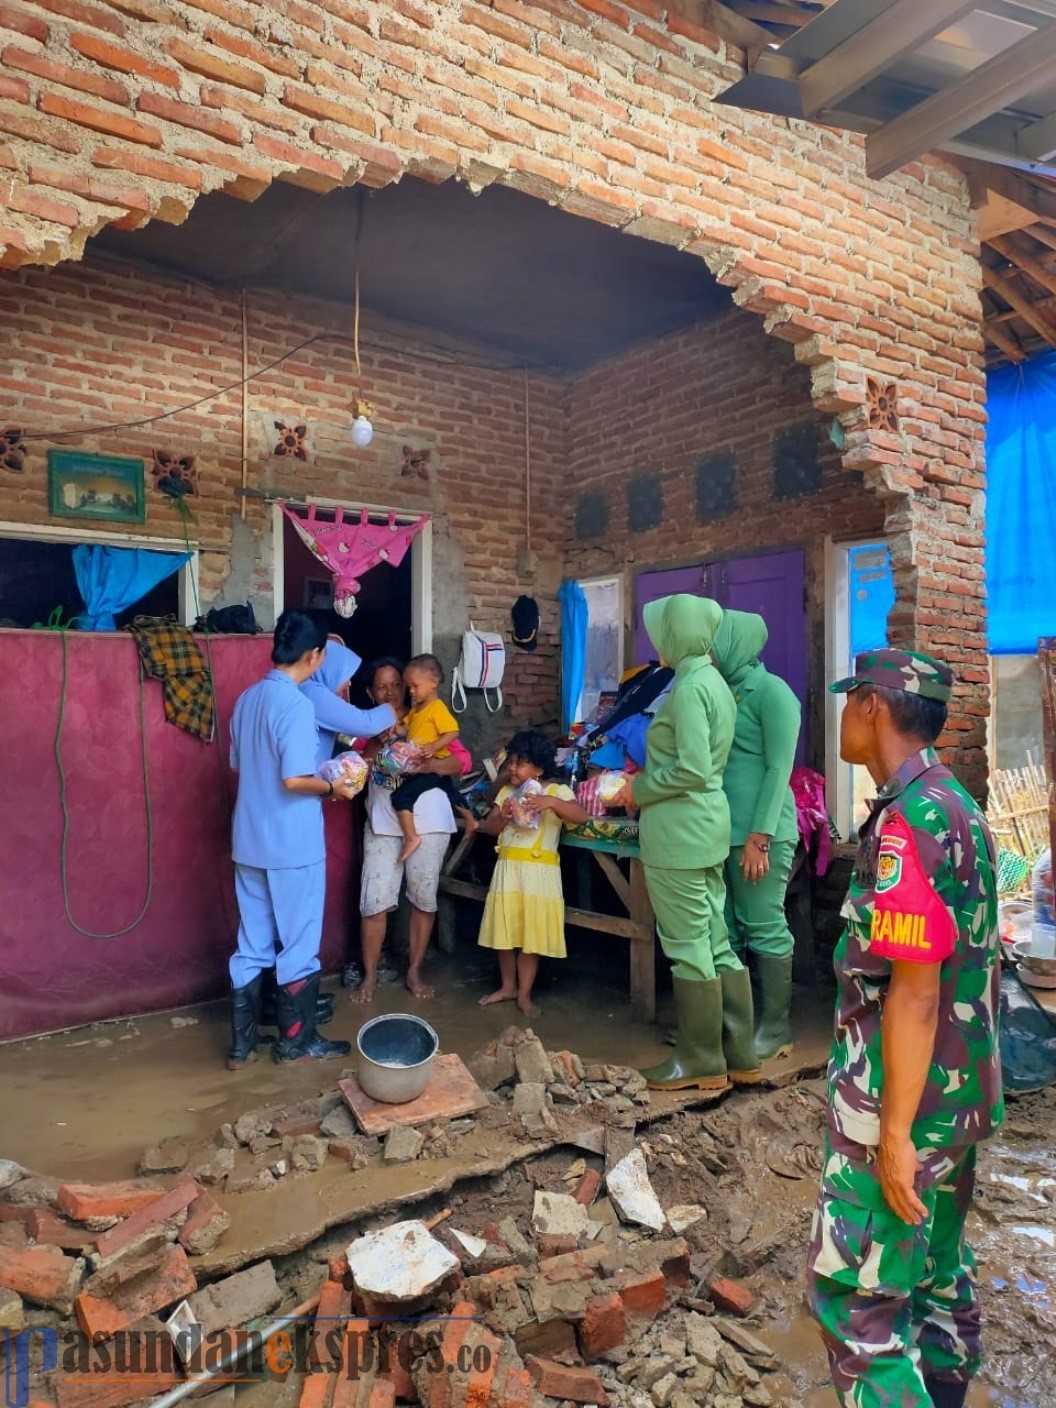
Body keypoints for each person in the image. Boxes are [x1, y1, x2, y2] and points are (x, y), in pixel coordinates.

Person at [806, 649, 1003, 1408]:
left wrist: (891, 1134)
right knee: (936, 1274)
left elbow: (914, 995)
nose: (846, 714)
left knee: (856, 1306)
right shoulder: (959, 806)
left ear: (873, 707)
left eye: (850, 699)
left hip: (904, 1102)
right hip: (960, 1096)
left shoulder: (908, 825)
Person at [610, 595, 760, 1090]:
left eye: (662, 632)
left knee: (687, 943)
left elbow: (693, 767)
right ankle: (737, 1050)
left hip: (679, 832)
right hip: (706, 826)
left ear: (677, 634)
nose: (657, 641)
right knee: (715, 938)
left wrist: (639, 789)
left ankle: (700, 1060)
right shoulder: (711, 680)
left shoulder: (691, 687)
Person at [226, 611, 358, 1069]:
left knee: (253, 941)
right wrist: (333, 787)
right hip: (292, 843)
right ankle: (296, 1043)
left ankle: (242, 1047)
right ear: (315, 655)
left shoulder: (247, 699)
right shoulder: (297, 705)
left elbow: (241, 768)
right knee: (299, 941)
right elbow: (295, 779)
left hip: (248, 839)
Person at [710, 608, 801, 1061]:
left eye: (717, 639)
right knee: (726, 930)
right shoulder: (722, 691)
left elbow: (778, 767)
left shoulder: (773, 693)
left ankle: (776, 1028)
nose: (710, 648)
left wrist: (760, 836)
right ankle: (735, 1027)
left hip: (759, 834)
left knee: (763, 926)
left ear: (737, 642)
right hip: (720, 831)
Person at [353, 658, 463, 1003]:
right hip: (383, 825)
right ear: (370, 693)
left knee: (423, 898)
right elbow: (354, 764)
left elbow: (461, 761)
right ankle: (369, 976)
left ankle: (414, 971)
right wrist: (379, 741)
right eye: (381, 686)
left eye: (396, 684)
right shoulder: (363, 725)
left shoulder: (426, 716)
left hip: (429, 820)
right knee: (374, 902)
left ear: (407, 686)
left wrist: (424, 761)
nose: (391, 691)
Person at [478, 730, 587, 1016]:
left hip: (539, 876)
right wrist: (500, 817)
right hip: (508, 871)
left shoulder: (555, 792)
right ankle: (507, 986)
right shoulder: (506, 794)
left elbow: (580, 815)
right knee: (504, 933)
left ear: (539, 769)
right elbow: (489, 828)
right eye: (511, 762)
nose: (512, 768)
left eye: (520, 762)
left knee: (530, 939)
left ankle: (524, 994)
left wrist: (551, 803)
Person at [390, 654, 477, 863]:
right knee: (450, 792)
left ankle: (411, 837)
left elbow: (453, 731)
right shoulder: (417, 709)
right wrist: (394, 730)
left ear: (433, 683)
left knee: (400, 797)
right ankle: (471, 820)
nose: (411, 691)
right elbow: (404, 728)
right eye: (408, 686)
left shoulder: (437, 708)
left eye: (414, 686)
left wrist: (433, 747)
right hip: (425, 763)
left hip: (431, 762)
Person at [299, 638, 396, 767]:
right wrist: (390, 710)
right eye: (345, 676)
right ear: (331, 672)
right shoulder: (313, 693)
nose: (349, 683)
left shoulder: (306, 688)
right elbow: (366, 724)